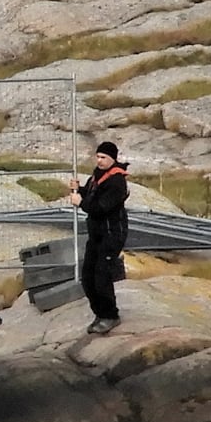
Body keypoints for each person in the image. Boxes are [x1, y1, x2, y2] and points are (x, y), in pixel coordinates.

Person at [66, 141, 129, 334]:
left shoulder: (117, 181)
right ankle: (99, 313)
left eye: (104, 158)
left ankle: (111, 315)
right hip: (96, 234)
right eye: (98, 157)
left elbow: (101, 207)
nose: (100, 161)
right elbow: (92, 195)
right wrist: (79, 190)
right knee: (88, 277)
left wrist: (81, 202)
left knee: (102, 275)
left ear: (113, 158)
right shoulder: (97, 175)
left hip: (111, 234)